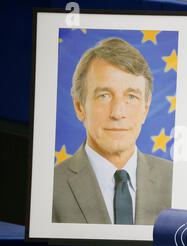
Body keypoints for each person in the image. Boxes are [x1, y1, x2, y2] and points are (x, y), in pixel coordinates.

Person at [52, 37, 172, 225]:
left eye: (131, 97)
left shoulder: (175, 181)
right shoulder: (50, 188)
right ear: (79, 106)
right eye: (104, 96)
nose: (117, 113)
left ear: (145, 109)